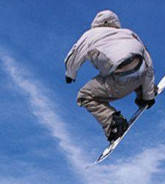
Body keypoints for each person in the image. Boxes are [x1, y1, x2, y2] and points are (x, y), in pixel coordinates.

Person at [63, 10, 157, 143]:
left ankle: (114, 124)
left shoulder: (91, 34)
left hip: (119, 79)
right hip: (141, 73)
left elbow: (74, 54)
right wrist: (148, 96)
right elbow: (147, 60)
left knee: (84, 96)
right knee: (136, 63)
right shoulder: (129, 33)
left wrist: (70, 74)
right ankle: (142, 92)